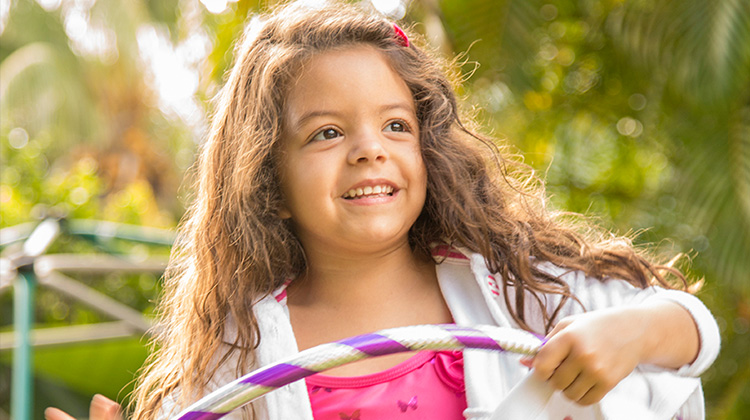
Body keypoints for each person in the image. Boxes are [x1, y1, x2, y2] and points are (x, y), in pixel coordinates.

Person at [45, 1, 720, 419]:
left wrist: (631, 332)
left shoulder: (514, 291)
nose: (370, 151)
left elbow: (691, 329)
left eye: (395, 125)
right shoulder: (236, 355)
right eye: (327, 133)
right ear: (267, 176)